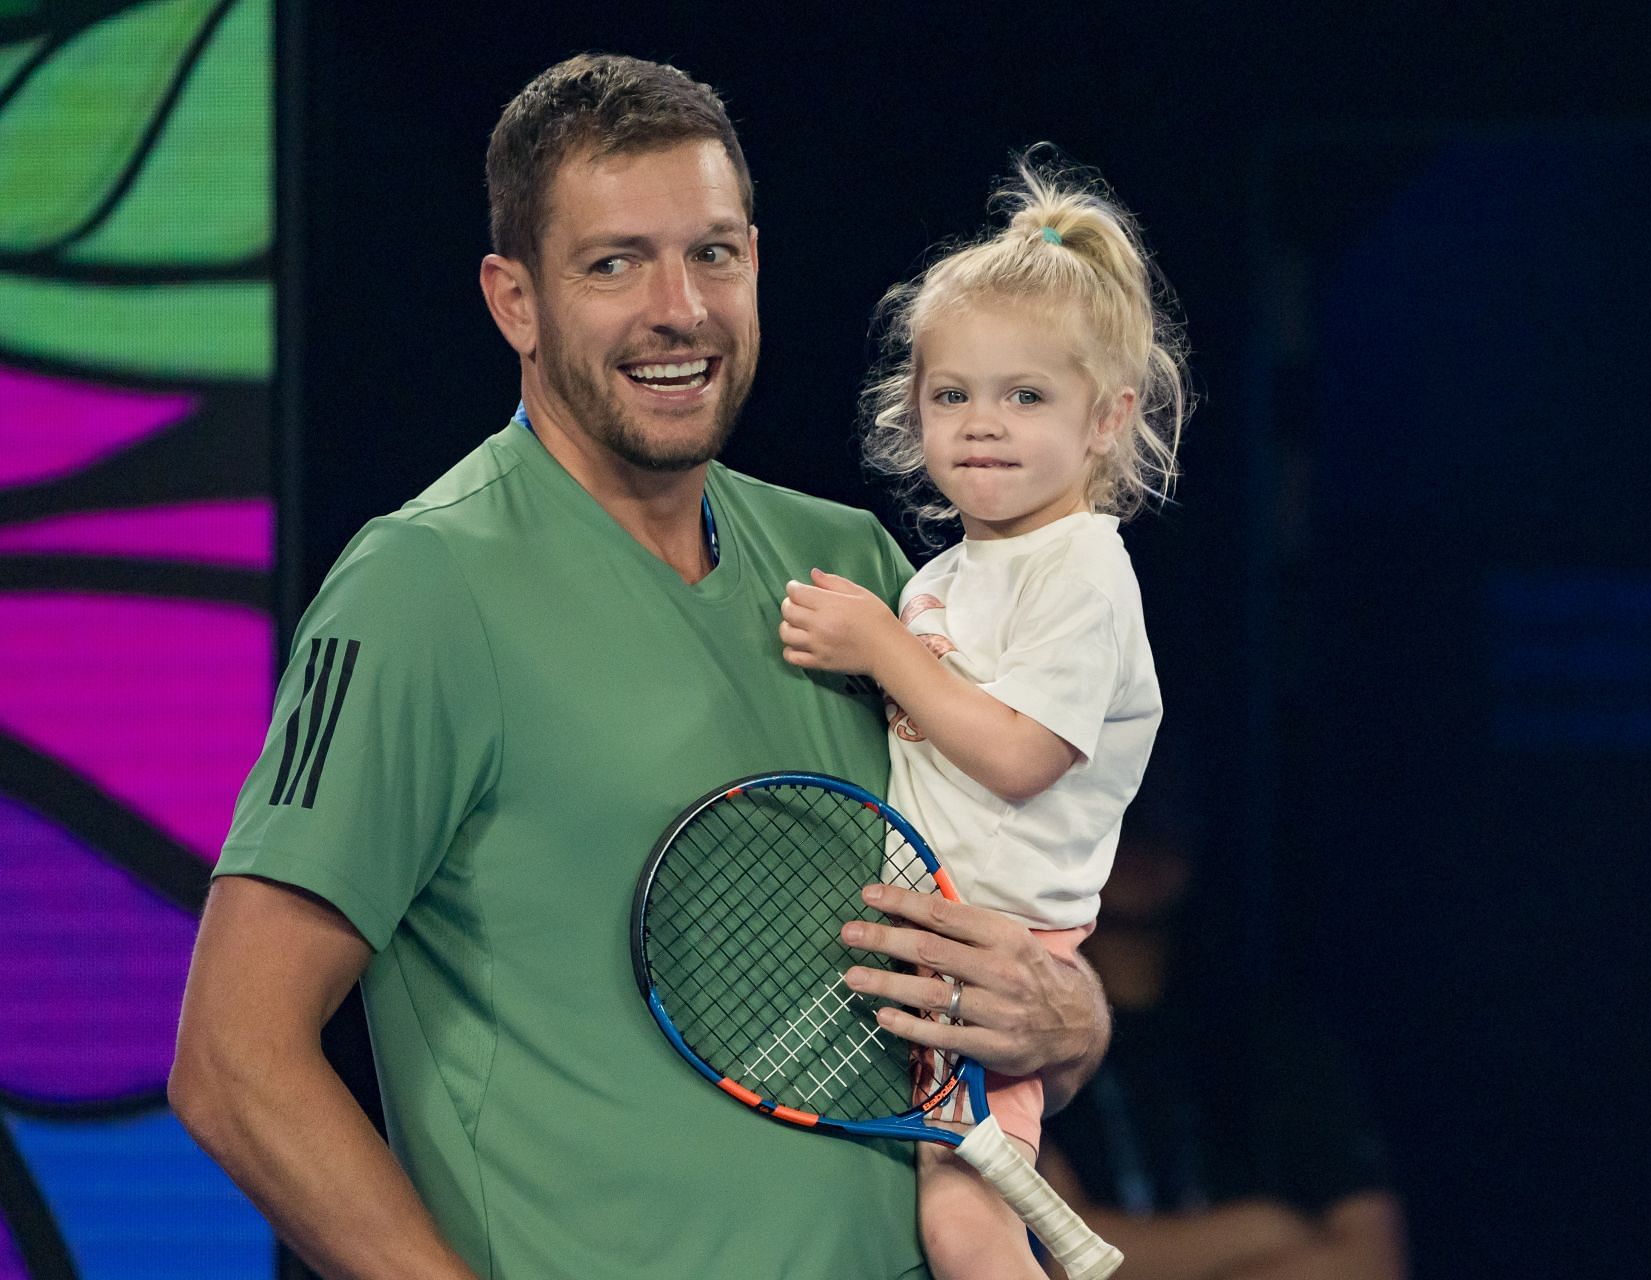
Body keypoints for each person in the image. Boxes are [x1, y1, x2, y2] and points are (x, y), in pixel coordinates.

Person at [168, 55, 1109, 1280]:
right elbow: (233, 1059)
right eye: (613, 263)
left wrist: (1066, 1018)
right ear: (515, 301)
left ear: (757, 264)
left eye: (712, 253)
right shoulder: (419, 589)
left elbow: (1000, 944)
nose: (681, 307)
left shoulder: (861, 567)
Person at [777, 156, 1187, 1279]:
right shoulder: (945, 577)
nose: (982, 425)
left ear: (1107, 421)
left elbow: (1016, 756)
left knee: (964, 1223)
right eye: (951, 395)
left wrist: (881, 651)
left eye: (1025, 396)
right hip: (920, 937)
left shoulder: (1085, 574)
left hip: (998, 956)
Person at [1036, 826, 1408, 1280]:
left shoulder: (1274, 1041)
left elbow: (1369, 1261)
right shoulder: (1032, 1033)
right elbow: (1048, 1253)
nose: (1141, 827)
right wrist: (1262, 1232)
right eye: (1121, 807)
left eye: (1162, 798)